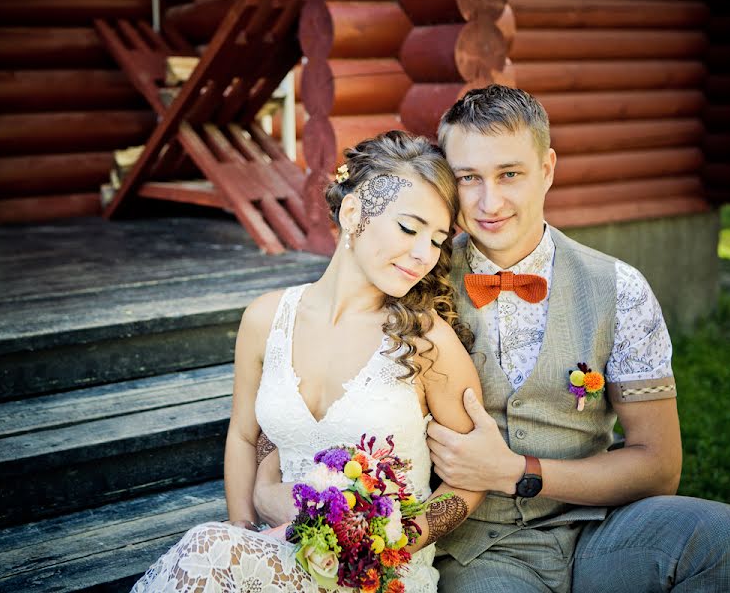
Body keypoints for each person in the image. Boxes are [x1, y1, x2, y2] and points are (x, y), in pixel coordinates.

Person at [425, 84, 730, 592]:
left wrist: (516, 471)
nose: (489, 201)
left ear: (547, 170)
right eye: (468, 178)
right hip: (480, 547)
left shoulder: (619, 288)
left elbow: (658, 466)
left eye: (509, 174)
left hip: (599, 529)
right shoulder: (420, 285)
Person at [131, 131, 490, 592]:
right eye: (409, 228)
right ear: (353, 213)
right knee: (213, 549)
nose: (424, 254)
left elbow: (470, 480)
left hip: (376, 576)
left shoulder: (426, 343)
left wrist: (391, 540)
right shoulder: (265, 320)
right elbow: (243, 435)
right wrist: (242, 532)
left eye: (438, 240)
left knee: (206, 548)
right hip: (277, 553)